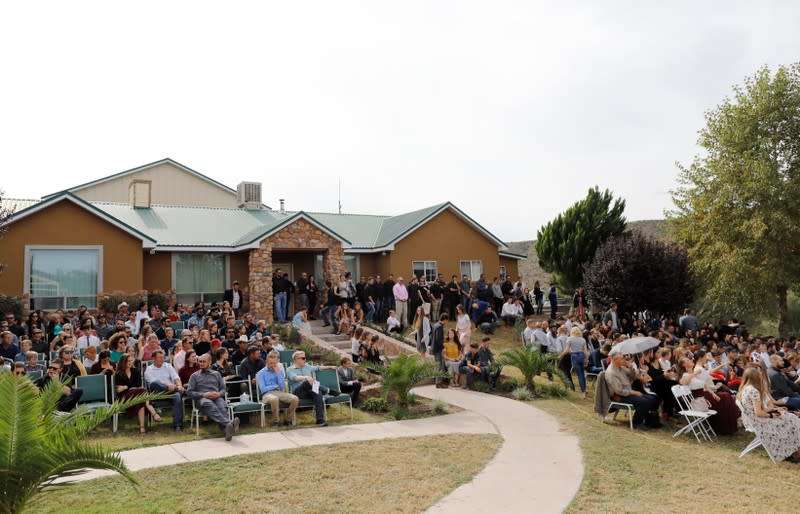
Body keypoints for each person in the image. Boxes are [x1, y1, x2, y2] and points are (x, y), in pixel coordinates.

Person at [737, 366, 800, 462]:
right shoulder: (754, 391)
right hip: (760, 422)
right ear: (756, 377)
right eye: (760, 375)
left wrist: (774, 410)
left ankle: (793, 451)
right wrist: (771, 415)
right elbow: (758, 413)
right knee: (793, 421)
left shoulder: (745, 389)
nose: (762, 377)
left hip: (754, 421)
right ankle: (793, 452)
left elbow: (758, 410)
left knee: (790, 418)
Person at [676, 355, 739, 435]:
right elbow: (683, 382)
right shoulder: (686, 375)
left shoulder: (693, 374)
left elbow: (704, 385)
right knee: (725, 397)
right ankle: (725, 427)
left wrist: (713, 393)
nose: (691, 360)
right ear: (684, 365)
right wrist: (694, 373)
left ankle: (729, 426)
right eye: (688, 360)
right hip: (698, 399)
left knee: (725, 396)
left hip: (705, 395)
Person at [187, 353, 240, 441]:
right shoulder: (194, 376)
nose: (201, 363)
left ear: (210, 362)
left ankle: (226, 430)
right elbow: (189, 392)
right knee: (208, 403)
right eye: (200, 361)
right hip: (202, 400)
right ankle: (229, 423)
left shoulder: (216, 374)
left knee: (222, 405)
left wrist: (219, 394)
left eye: (204, 361)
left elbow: (223, 389)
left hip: (216, 397)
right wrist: (203, 394)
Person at [604, 349, 660, 430]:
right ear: (615, 360)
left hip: (627, 393)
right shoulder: (611, 372)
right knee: (644, 401)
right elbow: (619, 391)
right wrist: (634, 393)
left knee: (651, 399)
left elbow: (633, 377)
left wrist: (631, 368)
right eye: (622, 359)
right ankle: (636, 423)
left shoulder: (620, 368)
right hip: (619, 396)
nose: (624, 360)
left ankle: (649, 420)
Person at [287, 350, 339, 426]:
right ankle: (328, 390)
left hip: (309, 392)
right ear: (296, 359)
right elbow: (295, 378)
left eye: (305, 358)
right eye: (303, 358)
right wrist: (306, 377)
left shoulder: (307, 366)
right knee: (307, 381)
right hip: (298, 393)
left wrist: (330, 366)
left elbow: (318, 368)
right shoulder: (290, 369)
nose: (305, 360)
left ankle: (320, 420)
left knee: (318, 392)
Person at [114, 353, 161, 433]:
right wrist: (129, 388)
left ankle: (142, 427)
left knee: (141, 401)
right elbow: (118, 390)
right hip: (125, 398)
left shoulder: (135, 371)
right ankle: (153, 413)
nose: (130, 362)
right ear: (123, 362)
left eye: (131, 361)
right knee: (142, 390)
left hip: (137, 396)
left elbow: (138, 384)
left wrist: (125, 387)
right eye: (127, 361)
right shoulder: (118, 374)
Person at [144, 349, 185, 432]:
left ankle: (178, 426)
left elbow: (176, 378)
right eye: (160, 358)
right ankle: (174, 389)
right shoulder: (149, 369)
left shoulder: (168, 366)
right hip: (157, 393)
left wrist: (179, 385)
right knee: (155, 384)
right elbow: (153, 384)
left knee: (177, 396)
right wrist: (167, 386)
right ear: (154, 359)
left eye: (163, 357)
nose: (162, 359)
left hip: (171, 392)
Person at [564, 326, 589, 399]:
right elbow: (586, 351)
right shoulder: (582, 339)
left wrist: (561, 355)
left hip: (574, 355)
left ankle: (583, 392)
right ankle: (584, 389)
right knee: (582, 374)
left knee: (579, 375)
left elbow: (567, 350)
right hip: (581, 355)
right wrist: (586, 360)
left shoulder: (570, 339)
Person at [431, 314, 447, 384]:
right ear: (445, 320)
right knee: (439, 365)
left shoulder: (435, 324)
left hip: (434, 348)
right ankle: (438, 382)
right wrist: (443, 347)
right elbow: (438, 340)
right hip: (438, 349)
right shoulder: (440, 327)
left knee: (437, 364)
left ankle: (435, 379)